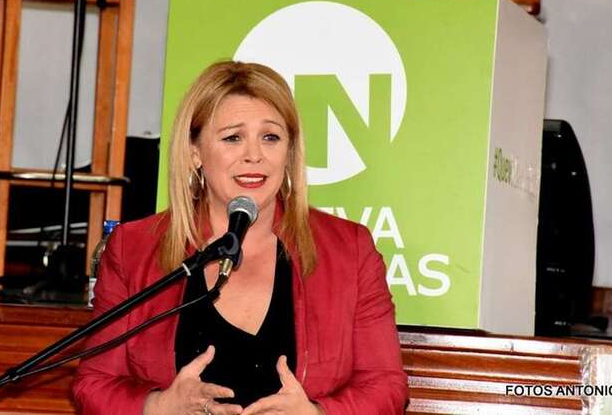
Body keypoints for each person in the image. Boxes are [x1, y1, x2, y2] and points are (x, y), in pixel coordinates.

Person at [73, 61, 408, 414]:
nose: (254, 155)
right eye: (233, 137)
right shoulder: (134, 248)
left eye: (270, 137)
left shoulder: (349, 250)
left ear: (289, 151)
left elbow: (386, 385)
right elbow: (93, 385)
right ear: (195, 152)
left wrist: (317, 414)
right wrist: (159, 407)